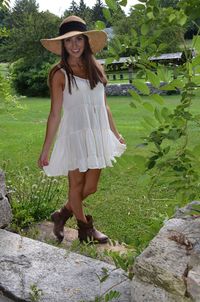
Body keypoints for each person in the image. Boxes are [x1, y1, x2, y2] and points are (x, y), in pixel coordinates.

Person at [38, 15, 126, 244]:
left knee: (91, 187)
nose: (74, 45)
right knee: (76, 186)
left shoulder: (96, 68)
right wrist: (45, 150)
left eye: (78, 39)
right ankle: (85, 228)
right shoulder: (59, 74)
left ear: (86, 42)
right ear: (63, 45)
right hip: (75, 135)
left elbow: (104, 106)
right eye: (69, 41)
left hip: (97, 134)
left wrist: (115, 134)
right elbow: (55, 114)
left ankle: (61, 214)